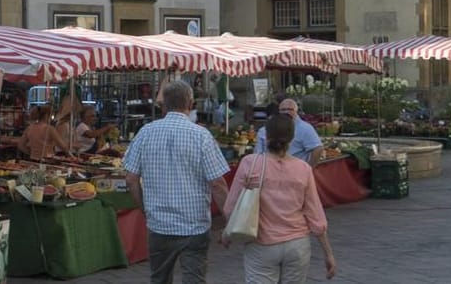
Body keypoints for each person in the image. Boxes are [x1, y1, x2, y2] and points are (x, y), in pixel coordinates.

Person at [122, 79, 230, 284]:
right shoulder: (202, 136)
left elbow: (131, 178)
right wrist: (229, 221)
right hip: (194, 225)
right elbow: (218, 184)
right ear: (190, 104)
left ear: (164, 105)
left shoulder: (146, 132)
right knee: (194, 279)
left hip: (159, 224)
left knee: (159, 279)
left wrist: (144, 209)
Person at [221, 114, 337, 282]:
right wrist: (328, 254)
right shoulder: (303, 169)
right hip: (297, 244)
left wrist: (227, 232)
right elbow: (315, 214)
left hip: (261, 243)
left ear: (265, 136)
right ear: (292, 138)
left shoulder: (250, 164)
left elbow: (230, 207)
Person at [254, 96, 323, 164]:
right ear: (279, 111)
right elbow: (258, 153)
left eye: (290, 109)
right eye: (283, 110)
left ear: (296, 111)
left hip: (296, 170)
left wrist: (309, 168)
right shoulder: (264, 130)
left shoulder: (306, 128)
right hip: (270, 169)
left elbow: (318, 149)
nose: (286, 112)